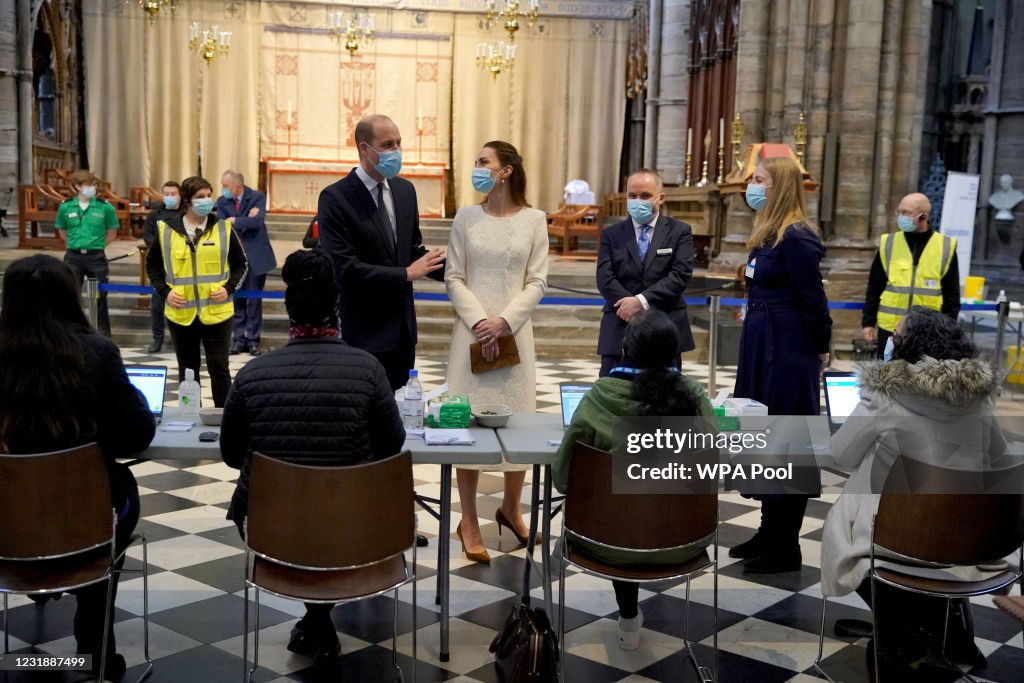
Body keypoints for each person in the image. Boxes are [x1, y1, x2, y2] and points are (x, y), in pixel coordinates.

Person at [221, 249, 406, 664]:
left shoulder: (252, 374)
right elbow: (391, 446)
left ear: (288, 313)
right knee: (334, 506)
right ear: (335, 309)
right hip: (355, 530)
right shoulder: (368, 369)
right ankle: (319, 616)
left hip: (273, 533)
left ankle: (315, 618)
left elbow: (232, 455)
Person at [821, 307, 1009, 678]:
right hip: (965, 539)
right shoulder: (980, 397)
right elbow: (998, 455)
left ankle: (905, 630)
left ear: (911, 345)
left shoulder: (883, 396)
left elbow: (841, 455)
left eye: (897, 334)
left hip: (894, 541)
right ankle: (939, 625)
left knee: (846, 526)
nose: (890, 340)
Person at [0, 254, 156, 682]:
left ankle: (28, 657)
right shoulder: (96, 352)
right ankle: (94, 653)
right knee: (111, 504)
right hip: (89, 517)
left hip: (6, 522)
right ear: (71, 296)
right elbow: (134, 435)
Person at [552, 310, 714, 650]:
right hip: (684, 540)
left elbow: (563, 478)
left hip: (605, 542)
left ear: (626, 349)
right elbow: (715, 464)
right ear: (674, 353)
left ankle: (627, 616)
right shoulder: (694, 396)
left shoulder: (599, 396)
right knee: (641, 512)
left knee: (621, 516)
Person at [445, 141, 549, 563]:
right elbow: (453, 276)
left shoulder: (534, 220)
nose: (477, 169)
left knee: (518, 421)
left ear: (506, 171)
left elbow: (537, 281)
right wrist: (480, 323)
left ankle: (511, 508)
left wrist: (504, 321)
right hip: (470, 334)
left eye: (483, 162)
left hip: (515, 332)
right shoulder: (466, 217)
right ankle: (468, 519)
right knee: (468, 422)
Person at [731, 156, 832, 574]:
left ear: (780, 186)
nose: (752, 186)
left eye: (759, 180)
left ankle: (787, 545)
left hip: (788, 350)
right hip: (761, 344)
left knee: (788, 440)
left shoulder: (798, 237)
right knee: (762, 435)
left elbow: (814, 300)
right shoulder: (767, 233)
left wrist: (822, 346)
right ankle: (768, 530)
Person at [317, 114, 446, 392]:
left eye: (399, 143)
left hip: (402, 332)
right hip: (363, 330)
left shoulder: (404, 191)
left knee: (398, 418)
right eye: (388, 144)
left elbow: (411, 251)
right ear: (365, 149)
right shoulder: (336, 198)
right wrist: (406, 274)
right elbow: (344, 268)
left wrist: (460, 267)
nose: (396, 151)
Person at [146, 176, 248, 407]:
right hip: (181, 313)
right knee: (187, 370)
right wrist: (165, 292)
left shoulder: (223, 228)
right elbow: (152, 266)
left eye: (208, 195)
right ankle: (189, 416)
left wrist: (228, 288)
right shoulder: (166, 230)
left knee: (219, 368)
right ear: (187, 201)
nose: (206, 201)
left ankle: (224, 418)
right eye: (200, 197)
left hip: (217, 312)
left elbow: (241, 264)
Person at [596, 169, 695, 376]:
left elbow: (680, 275)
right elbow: (605, 278)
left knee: (663, 399)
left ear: (660, 198)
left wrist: (640, 302)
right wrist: (628, 306)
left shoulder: (679, 231)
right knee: (612, 396)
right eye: (632, 196)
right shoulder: (611, 234)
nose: (637, 200)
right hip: (619, 322)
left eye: (645, 196)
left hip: (665, 323)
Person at [861, 192, 959, 359]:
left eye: (906, 212)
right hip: (891, 329)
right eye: (899, 212)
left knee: (923, 379)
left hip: (929, 331)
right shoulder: (888, 243)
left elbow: (952, 296)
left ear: (924, 216)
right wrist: (868, 322)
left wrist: (948, 330)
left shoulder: (945, 246)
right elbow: (874, 286)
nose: (901, 217)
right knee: (888, 377)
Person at [217, 170, 276, 356]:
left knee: (254, 301)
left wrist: (235, 220)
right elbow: (222, 224)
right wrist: (244, 220)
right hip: (234, 258)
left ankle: (253, 341)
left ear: (238, 186)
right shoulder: (222, 201)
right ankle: (238, 339)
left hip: (256, 256)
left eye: (226, 186)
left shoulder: (256, 196)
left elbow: (257, 222)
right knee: (237, 300)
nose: (223, 190)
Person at [54, 169, 120, 337]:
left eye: (94, 184)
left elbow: (112, 232)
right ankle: (71, 334)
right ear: (77, 187)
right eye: (89, 185)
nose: (93, 188)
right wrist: (76, 244)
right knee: (71, 297)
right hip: (73, 256)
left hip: (96, 257)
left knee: (99, 298)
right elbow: (62, 231)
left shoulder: (105, 207)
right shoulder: (66, 206)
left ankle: (103, 335)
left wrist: (96, 245)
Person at [141, 180, 182, 353]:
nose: (170, 197)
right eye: (167, 194)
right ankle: (157, 339)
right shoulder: (155, 215)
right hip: (160, 266)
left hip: (182, 266)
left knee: (181, 304)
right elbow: (147, 236)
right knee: (157, 306)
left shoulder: (186, 214)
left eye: (173, 194)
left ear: (180, 195)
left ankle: (181, 340)